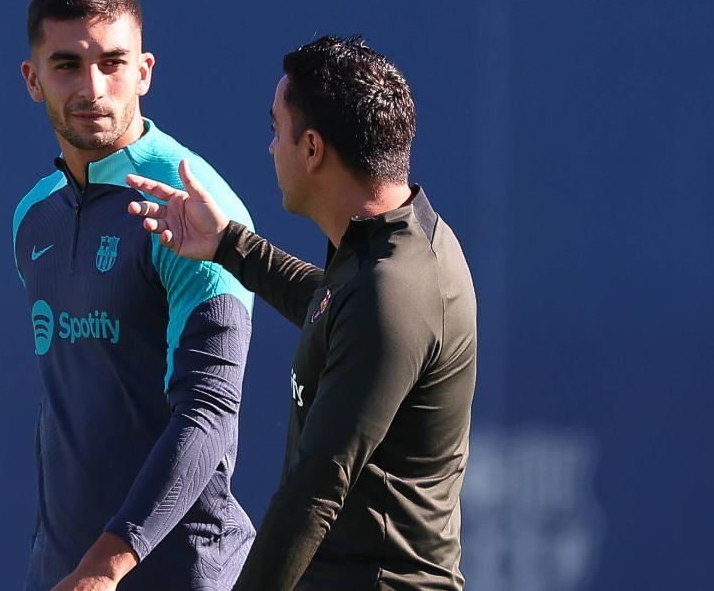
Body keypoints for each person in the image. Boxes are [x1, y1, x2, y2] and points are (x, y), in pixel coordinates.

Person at [126, 35, 477, 591]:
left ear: (312, 149)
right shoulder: (389, 248)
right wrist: (227, 245)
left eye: (275, 129)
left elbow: (317, 487)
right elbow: (335, 311)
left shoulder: (393, 291)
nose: (270, 148)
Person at [12, 0, 256, 591]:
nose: (93, 87)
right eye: (67, 65)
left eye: (113, 63)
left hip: (177, 574)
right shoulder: (32, 216)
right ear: (32, 79)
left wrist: (110, 561)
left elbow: (209, 413)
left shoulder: (196, 209)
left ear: (144, 71)